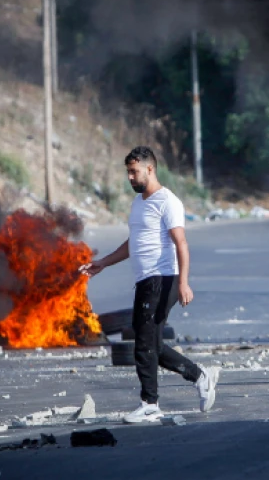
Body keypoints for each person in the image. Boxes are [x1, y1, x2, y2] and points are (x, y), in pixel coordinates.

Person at [80, 146, 219, 422]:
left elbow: (181, 243)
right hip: (145, 280)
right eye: (128, 173)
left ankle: (150, 404)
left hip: (162, 278)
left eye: (134, 172)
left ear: (150, 169)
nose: (130, 177)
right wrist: (103, 263)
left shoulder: (167, 201)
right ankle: (200, 376)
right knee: (152, 344)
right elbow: (134, 243)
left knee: (143, 344)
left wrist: (184, 283)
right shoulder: (139, 203)